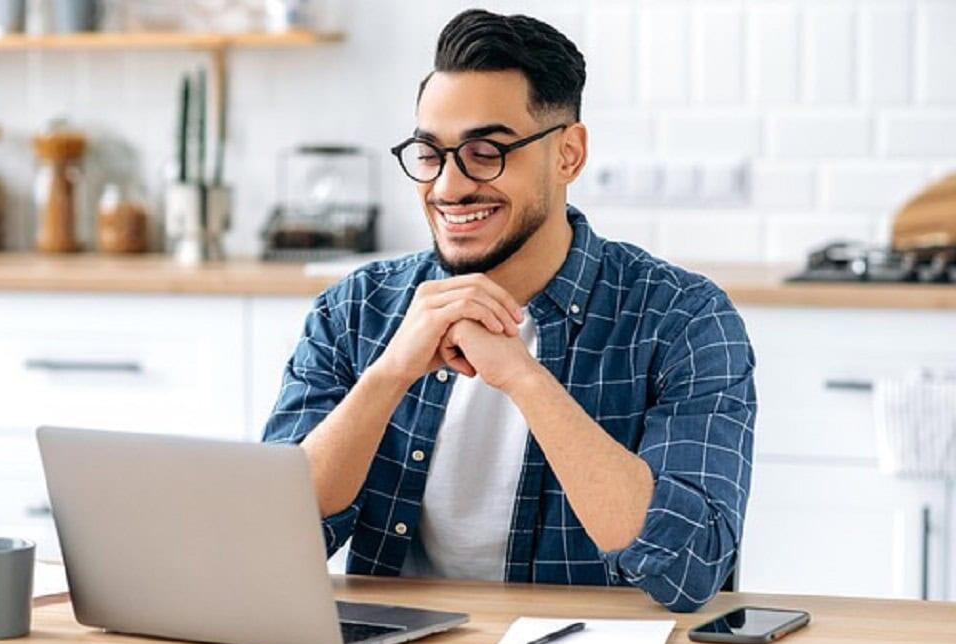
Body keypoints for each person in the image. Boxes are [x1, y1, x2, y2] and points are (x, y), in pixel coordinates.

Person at [263, 8, 755, 613]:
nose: (448, 187)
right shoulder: (356, 310)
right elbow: (274, 542)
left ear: (568, 154)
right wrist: (389, 374)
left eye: (485, 152)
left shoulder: (682, 318)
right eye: (430, 153)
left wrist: (524, 378)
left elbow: (689, 568)